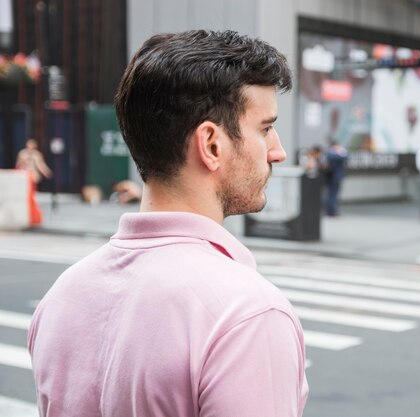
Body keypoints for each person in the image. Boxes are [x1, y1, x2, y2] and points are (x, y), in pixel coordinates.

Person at [28, 30, 308, 417]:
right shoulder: (247, 314)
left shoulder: (62, 296)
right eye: (264, 128)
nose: (277, 151)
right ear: (212, 145)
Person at [324, 140, 348, 216]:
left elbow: (347, 157)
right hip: (332, 177)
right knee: (332, 194)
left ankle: (332, 210)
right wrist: (340, 152)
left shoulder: (335, 153)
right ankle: (331, 211)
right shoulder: (331, 153)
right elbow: (341, 157)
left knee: (334, 194)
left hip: (336, 177)